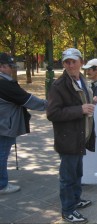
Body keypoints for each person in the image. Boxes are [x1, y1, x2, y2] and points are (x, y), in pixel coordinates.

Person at [47, 48, 95, 223]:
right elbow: (52, 113)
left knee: (77, 173)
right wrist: (80, 110)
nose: (70, 65)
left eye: (73, 61)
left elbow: (82, 99)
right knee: (68, 177)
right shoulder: (58, 85)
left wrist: (91, 100)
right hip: (68, 139)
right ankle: (68, 210)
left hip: (80, 136)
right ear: (63, 64)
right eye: (67, 62)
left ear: (81, 62)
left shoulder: (81, 80)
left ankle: (75, 200)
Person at [0, 52, 47, 194]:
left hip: (3, 124)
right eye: (10, 66)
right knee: (2, 154)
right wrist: (50, 105)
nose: (12, 69)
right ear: (2, 67)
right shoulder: (4, 84)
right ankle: (2, 185)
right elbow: (28, 100)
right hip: (4, 126)